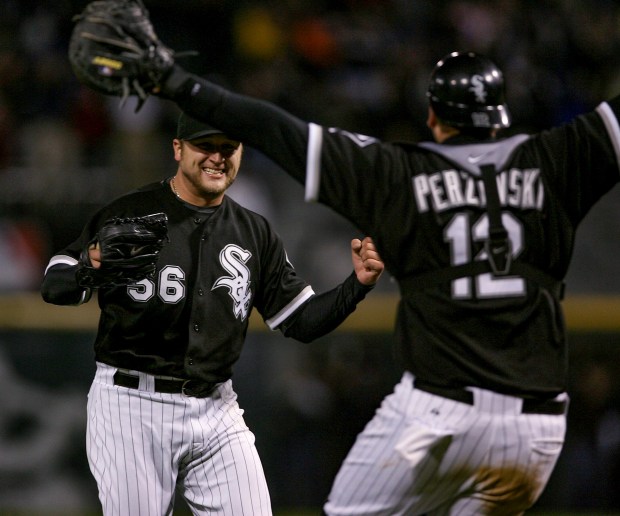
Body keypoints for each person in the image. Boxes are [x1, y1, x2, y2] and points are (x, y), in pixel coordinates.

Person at [100, 45, 620, 515]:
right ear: (501, 117)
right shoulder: (558, 160)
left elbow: (277, 131)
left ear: (434, 117)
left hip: (438, 415)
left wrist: (172, 79)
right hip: (539, 426)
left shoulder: (401, 173)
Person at [40, 112, 384, 515]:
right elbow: (55, 284)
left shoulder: (254, 232)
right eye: (206, 145)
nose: (218, 157)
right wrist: (90, 264)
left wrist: (356, 285)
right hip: (132, 406)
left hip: (217, 407)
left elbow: (303, 321)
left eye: (228, 147)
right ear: (178, 149)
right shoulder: (129, 213)